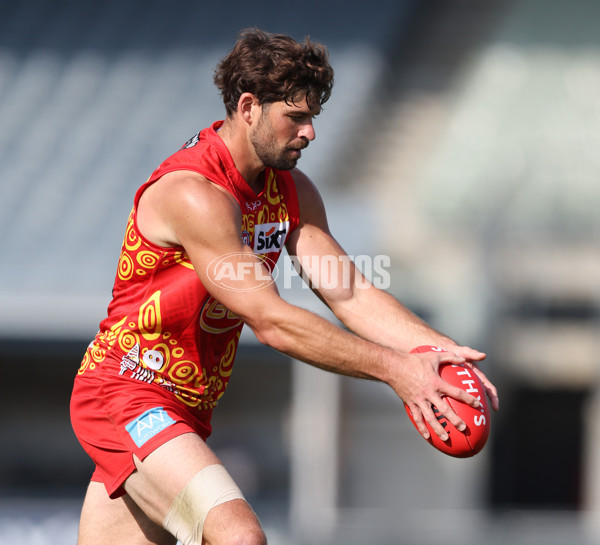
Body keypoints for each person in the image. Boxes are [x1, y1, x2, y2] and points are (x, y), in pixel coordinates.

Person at [70, 28, 499, 545]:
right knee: (239, 537)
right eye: (295, 117)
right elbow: (271, 321)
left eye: (313, 117)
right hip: (126, 391)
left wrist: (435, 350)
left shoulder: (291, 191)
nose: (310, 132)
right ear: (248, 106)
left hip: (186, 405)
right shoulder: (195, 194)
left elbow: (349, 291)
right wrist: (396, 370)